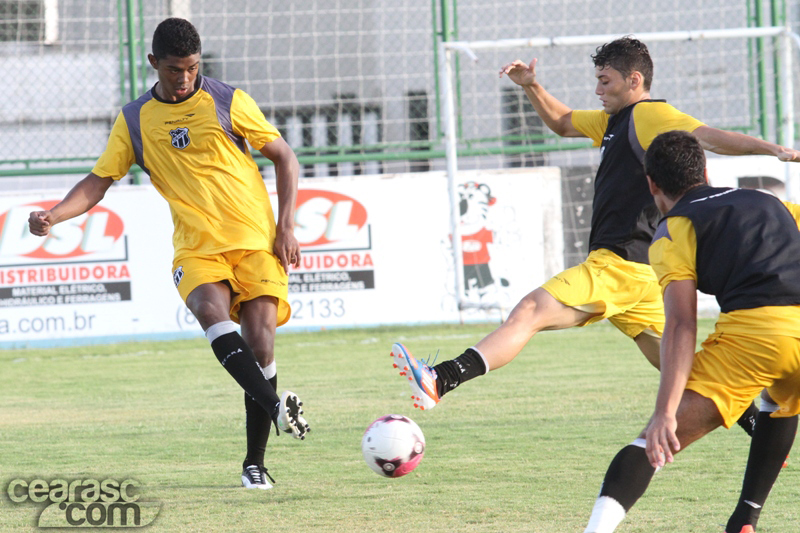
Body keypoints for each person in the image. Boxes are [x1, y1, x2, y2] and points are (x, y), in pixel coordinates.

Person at [390, 38, 800, 436]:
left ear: (634, 80)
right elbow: (563, 122)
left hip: (618, 265)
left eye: (606, 80)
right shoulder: (612, 121)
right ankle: (762, 430)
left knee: (531, 310)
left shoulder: (649, 116)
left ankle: (440, 379)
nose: (598, 89)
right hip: (639, 275)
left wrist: (772, 149)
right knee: (687, 371)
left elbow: (707, 136)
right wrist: (532, 86)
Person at [27, 18, 309, 490]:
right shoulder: (135, 120)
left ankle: (254, 461)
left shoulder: (227, 100)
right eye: (176, 69)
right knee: (207, 309)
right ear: (154, 62)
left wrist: (286, 227)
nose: (185, 79)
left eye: (193, 68)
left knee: (260, 343)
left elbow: (285, 156)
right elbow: (99, 180)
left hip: (256, 239)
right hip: (196, 247)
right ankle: (276, 405)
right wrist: (55, 215)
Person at [583, 130, 800, 533]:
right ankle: (745, 519)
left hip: (756, 339)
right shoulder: (771, 201)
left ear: (652, 185)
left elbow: (682, 325)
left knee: (652, 440)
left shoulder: (673, 230)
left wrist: (665, 411)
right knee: (782, 401)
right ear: (704, 169)